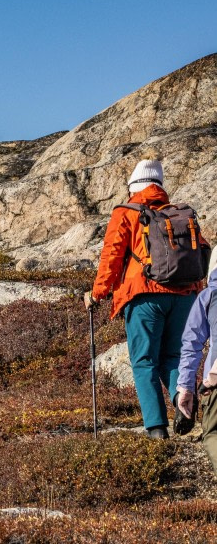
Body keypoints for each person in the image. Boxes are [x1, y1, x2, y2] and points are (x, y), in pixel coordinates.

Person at [87, 159, 207, 439]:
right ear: (160, 187)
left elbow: (112, 257)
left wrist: (97, 294)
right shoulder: (181, 214)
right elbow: (200, 255)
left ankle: (156, 429)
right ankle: (181, 397)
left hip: (144, 297)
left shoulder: (126, 212)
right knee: (174, 356)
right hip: (185, 296)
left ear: (133, 187)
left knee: (144, 361)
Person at [175, 264, 217, 466]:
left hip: (215, 380)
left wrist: (186, 387)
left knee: (213, 434)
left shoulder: (209, 296)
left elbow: (191, 345)